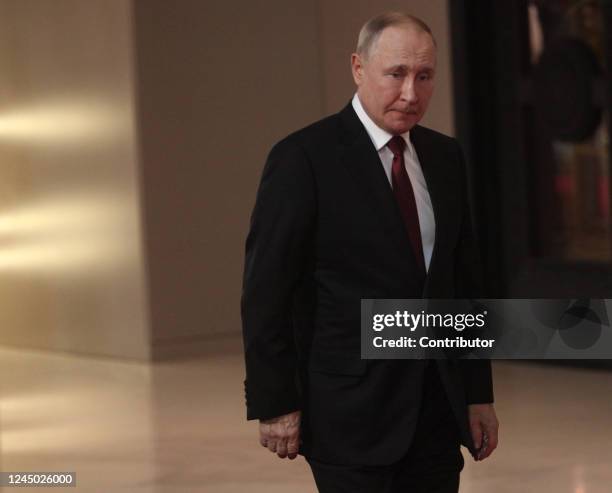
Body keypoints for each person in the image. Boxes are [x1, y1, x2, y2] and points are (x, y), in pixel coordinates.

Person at [241, 11, 499, 493]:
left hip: (436, 413)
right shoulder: (303, 159)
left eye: (424, 77)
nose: (411, 93)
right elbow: (266, 291)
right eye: (396, 74)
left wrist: (477, 395)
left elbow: (463, 286)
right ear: (358, 68)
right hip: (349, 413)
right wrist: (275, 402)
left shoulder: (445, 157)